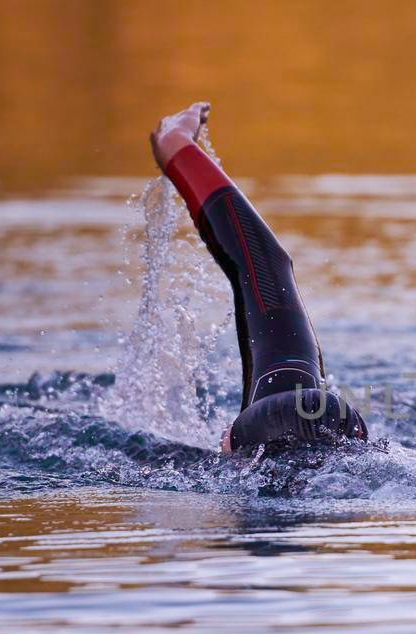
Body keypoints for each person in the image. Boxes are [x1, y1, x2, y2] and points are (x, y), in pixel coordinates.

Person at [149, 102, 367, 455]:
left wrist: (241, 437)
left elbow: (320, 411)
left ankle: (177, 147)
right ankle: (177, 148)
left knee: (267, 268)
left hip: (279, 431)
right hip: (286, 440)